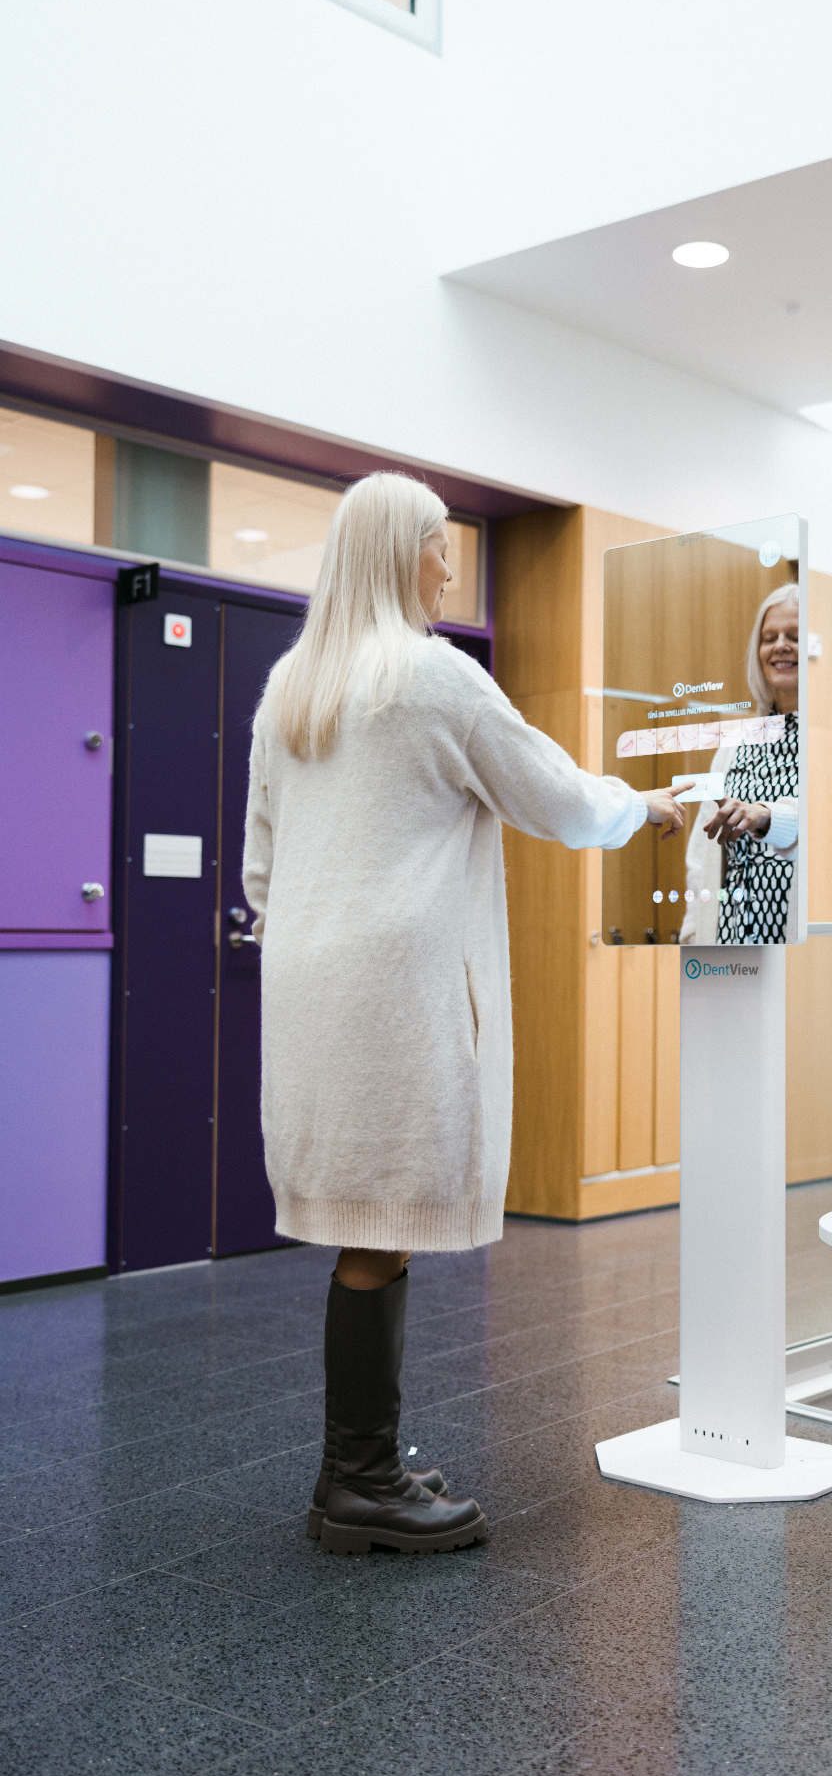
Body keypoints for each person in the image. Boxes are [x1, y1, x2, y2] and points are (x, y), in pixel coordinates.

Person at [243, 473, 687, 1557]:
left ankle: (355, 1467)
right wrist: (647, 806)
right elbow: (556, 797)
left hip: (307, 989)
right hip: (393, 992)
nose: (451, 566)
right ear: (403, 553)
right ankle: (360, 1484)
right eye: (441, 545)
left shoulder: (292, 685)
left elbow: (260, 867)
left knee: (367, 1222)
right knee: (381, 1228)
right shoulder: (434, 678)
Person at [680, 582, 800, 945]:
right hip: (728, 941)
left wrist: (766, 816)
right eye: (769, 637)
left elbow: (818, 827)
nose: (780, 646)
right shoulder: (736, 743)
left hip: (797, 943)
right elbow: (701, 856)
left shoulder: (826, 740)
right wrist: (693, 932)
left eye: (794, 636)